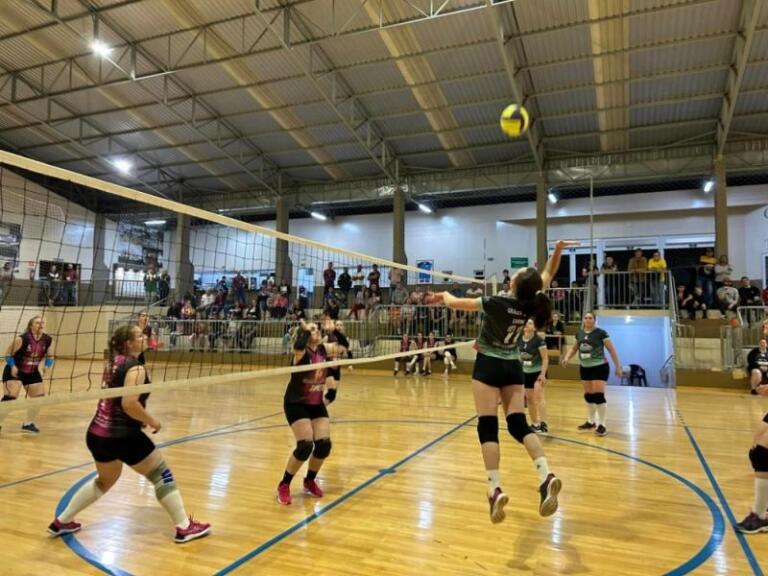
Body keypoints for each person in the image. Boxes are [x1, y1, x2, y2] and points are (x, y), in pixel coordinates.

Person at [425, 240, 575, 523]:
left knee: (488, 426)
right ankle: (546, 475)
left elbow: (456, 303)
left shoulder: (496, 303)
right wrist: (558, 250)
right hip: (513, 367)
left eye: (515, 276)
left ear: (515, 285)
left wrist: (444, 293)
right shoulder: (531, 303)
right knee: (518, 424)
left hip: (489, 366)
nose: (512, 276)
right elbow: (548, 273)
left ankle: (494, 488)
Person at [47, 324, 210, 542]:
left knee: (104, 482)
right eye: (140, 336)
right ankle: (184, 527)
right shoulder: (136, 368)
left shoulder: (114, 363)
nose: (145, 338)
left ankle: (62, 521)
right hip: (121, 436)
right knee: (161, 474)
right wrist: (152, 420)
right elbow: (129, 404)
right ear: (128, 343)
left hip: (97, 434)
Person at [277, 319, 347, 505]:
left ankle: (309, 480)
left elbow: (343, 347)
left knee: (324, 445)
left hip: (316, 403)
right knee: (305, 446)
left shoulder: (323, 350)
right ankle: (284, 484)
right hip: (296, 403)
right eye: (313, 330)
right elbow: (299, 345)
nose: (317, 331)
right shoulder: (301, 352)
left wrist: (336, 331)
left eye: (316, 329)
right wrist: (306, 331)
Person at [561, 312, 623, 436]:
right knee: (589, 396)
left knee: (598, 396)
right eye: (586, 318)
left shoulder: (601, 333)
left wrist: (618, 366)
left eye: (590, 318)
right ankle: (591, 421)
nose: (588, 320)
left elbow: (611, 350)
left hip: (599, 367)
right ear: (583, 320)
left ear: (594, 320)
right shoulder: (580, 333)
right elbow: (574, 348)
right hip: (585, 367)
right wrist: (567, 357)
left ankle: (602, 424)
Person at [0, 315, 55, 434]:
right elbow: (7, 354)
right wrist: (13, 366)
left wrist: (47, 366)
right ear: (31, 326)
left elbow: (50, 356)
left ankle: (28, 423)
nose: (40, 325)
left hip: (32, 371)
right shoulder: (22, 339)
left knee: (38, 399)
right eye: (37, 323)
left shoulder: (48, 340)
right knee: (10, 399)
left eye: (42, 323)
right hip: (14, 370)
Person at [518, 319, 549, 433]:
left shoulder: (538, 341)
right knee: (529, 399)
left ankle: (543, 423)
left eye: (530, 323)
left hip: (537, 373)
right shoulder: (519, 340)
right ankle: (535, 424)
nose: (526, 324)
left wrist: (543, 374)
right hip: (525, 373)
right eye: (525, 322)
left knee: (539, 396)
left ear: (535, 328)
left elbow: (545, 358)